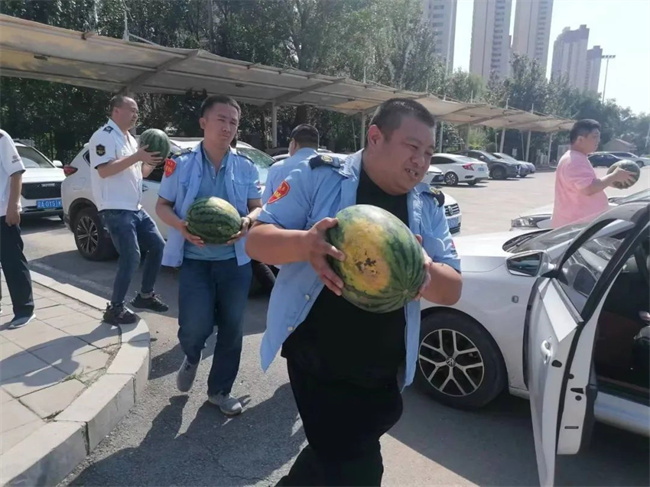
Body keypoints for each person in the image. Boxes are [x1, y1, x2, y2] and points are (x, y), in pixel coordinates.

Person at [246, 98, 462, 485]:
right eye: (412, 147)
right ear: (375, 137)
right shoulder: (319, 175)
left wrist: (424, 270)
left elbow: (453, 288)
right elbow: (256, 240)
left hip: (383, 369)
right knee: (356, 466)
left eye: (429, 152)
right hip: (317, 359)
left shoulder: (428, 204)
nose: (421, 161)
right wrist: (305, 245)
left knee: (332, 460)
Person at [155, 95, 263, 416]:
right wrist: (181, 226)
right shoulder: (180, 163)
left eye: (233, 122)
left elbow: (258, 207)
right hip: (195, 261)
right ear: (203, 122)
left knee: (232, 329)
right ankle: (192, 355)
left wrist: (247, 222)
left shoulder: (245, 166)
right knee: (194, 326)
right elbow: (162, 205)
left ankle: (220, 391)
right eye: (221, 119)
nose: (228, 127)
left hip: (235, 262)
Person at [89, 95, 169, 325]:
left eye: (137, 111)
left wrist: (152, 162)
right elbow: (104, 170)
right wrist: (137, 156)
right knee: (131, 257)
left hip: (134, 208)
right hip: (115, 208)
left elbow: (140, 172)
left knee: (157, 246)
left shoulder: (131, 139)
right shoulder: (103, 136)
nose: (136, 115)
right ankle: (115, 308)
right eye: (132, 110)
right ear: (116, 110)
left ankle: (145, 295)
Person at [551, 119, 635, 228]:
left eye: (598, 137)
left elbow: (586, 184)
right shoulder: (575, 160)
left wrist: (611, 181)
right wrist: (614, 176)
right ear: (580, 139)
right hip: (576, 227)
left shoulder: (576, 157)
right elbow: (588, 188)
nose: (598, 141)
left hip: (577, 224)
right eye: (594, 137)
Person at [0, 129, 35, 329]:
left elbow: (16, 173)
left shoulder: (1, 138)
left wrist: (13, 206)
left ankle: (24, 310)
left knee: (12, 262)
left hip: (3, 213)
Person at [262, 124, 320, 203]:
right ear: (317, 145)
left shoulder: (278, 168)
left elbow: (266, 202)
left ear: (293, 143)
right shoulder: (328, 169)